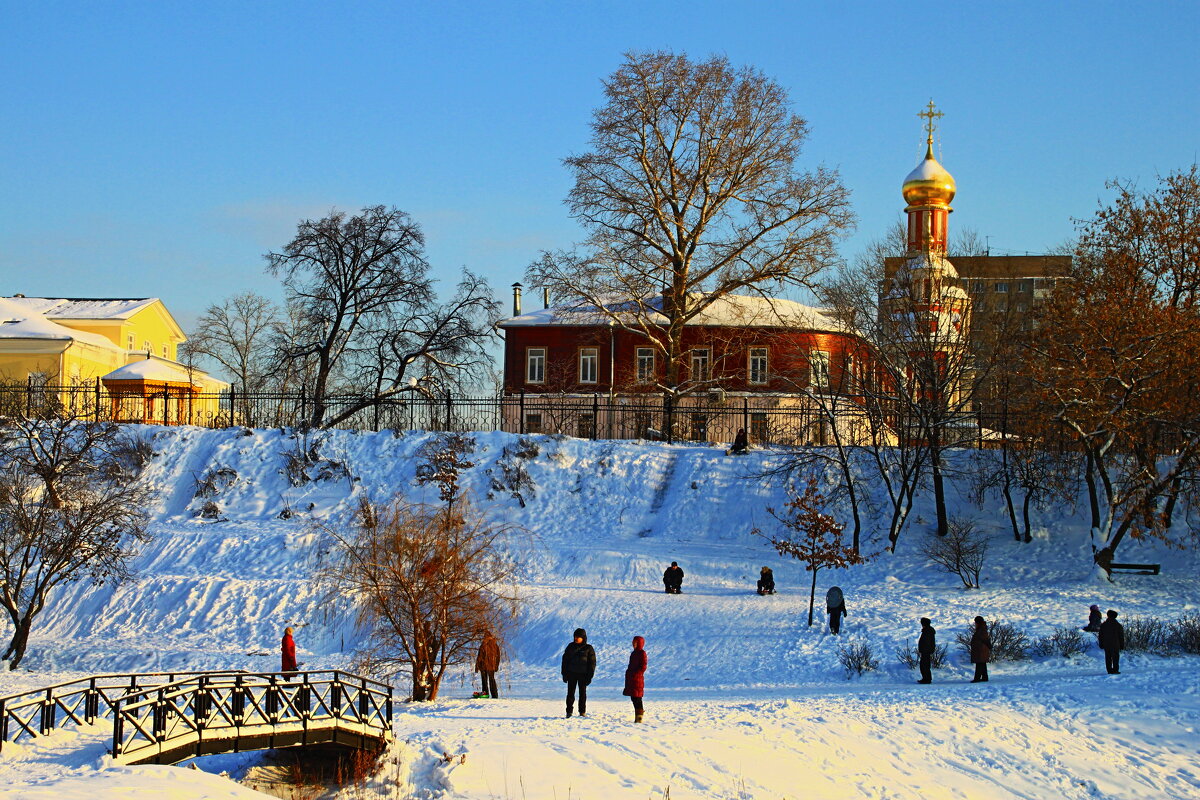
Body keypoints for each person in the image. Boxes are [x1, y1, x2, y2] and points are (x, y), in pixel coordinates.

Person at [561, 628, 596, 717]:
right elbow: (565, 661)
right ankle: (569, 712)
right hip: (571, 674)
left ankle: (582, 712)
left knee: (582, 694)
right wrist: (564, 674)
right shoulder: (570, 646)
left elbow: (592, 663)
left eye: (578, 637)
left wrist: (589, 676)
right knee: (570, 694)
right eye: (575, 637)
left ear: (583, 637)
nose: (576, 638)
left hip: (583, 675)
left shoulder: (588, 648)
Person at [623, 635, 648, 723]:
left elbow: (643, 666)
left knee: (637, 697)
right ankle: (638, 716)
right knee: (633, 697)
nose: (633, 644)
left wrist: (637, 673)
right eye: (633, 642)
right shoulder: (633, 653)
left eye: (635, 642)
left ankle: (639, 717)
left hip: (637, 679)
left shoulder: (642, 653)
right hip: (631, 679)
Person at [475, 631, 501, 699]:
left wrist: (477, 667)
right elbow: (498, 657)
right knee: (492, 680)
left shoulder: (483, 645)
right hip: (492, 667)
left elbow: (479, 656)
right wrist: (496, 666)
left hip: (483, 666)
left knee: (484, 681)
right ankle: (495, 695)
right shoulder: (495, 645)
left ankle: (485, 694)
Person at [1099, 609, 1125, 675]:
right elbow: (1121, 636)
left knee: (1108, 657)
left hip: (1106, 644)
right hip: (1115, 644)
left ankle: (1109, 670)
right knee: (1115, 657)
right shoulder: (1118, 625)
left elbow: (1101, 636)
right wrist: (1122, 645)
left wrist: (1101, 644)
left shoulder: (1103, 625)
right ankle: (1115, 670)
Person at [970, 616, 991, 683]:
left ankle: (977, 678)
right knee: (982, 663)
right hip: (981, 649)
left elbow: (985, 639)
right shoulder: (981, 629)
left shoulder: (981, 630)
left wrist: (989, 646)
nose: (975, 624)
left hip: (981, 650)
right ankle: (985, 677)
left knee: (979, 664)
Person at [917, 618, 936, 684]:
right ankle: (926, 678)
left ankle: (926, 679)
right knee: (925, 665)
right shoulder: (927, 630)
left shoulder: (927, 631)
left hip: (926, 651)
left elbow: (927, 642)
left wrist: (924, 649)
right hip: (926, 651)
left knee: (924, 665)